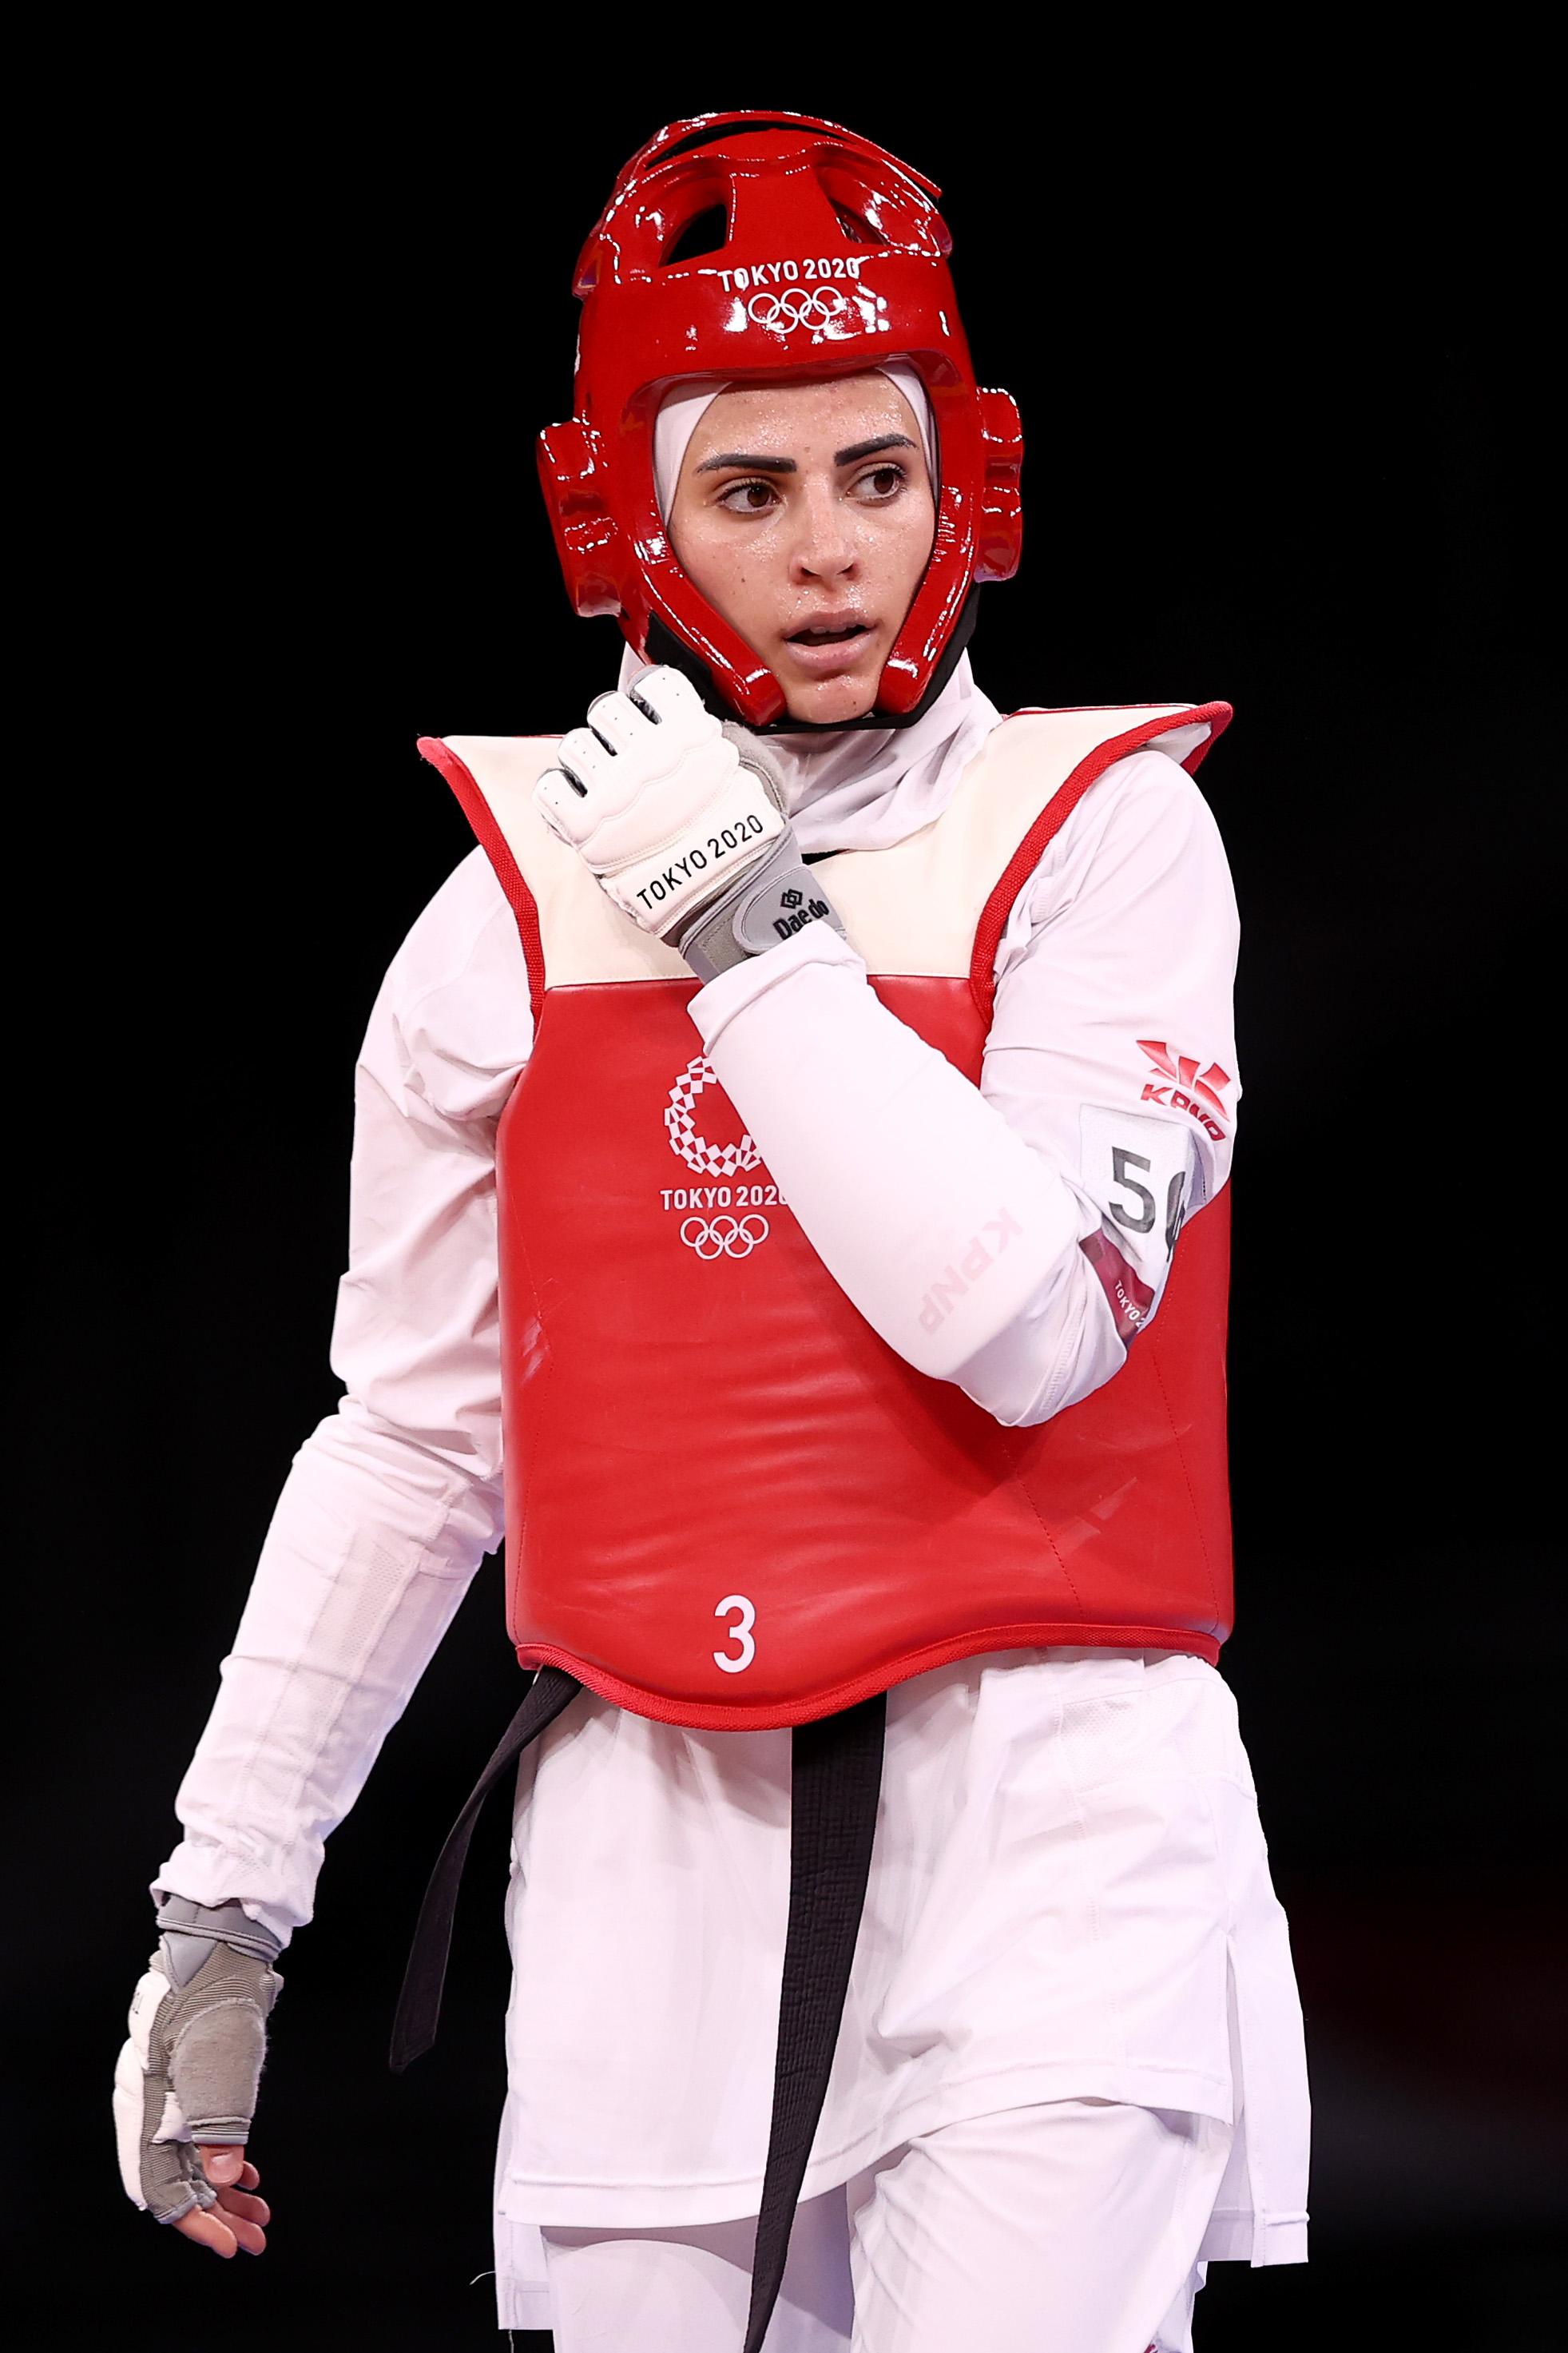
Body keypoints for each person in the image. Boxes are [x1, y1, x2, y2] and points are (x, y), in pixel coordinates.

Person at [115, 112, 1310, 2351]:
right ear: (622, 516)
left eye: (875, 472)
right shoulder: (494, 924)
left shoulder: (1109, 841)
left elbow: (1029, 1318)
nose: (830, 551)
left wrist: (751, 937)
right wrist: (230, 1892)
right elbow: (412, 1438)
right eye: (749, 492)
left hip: (1050, 1818)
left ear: (969, 474)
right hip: (650, 1847)